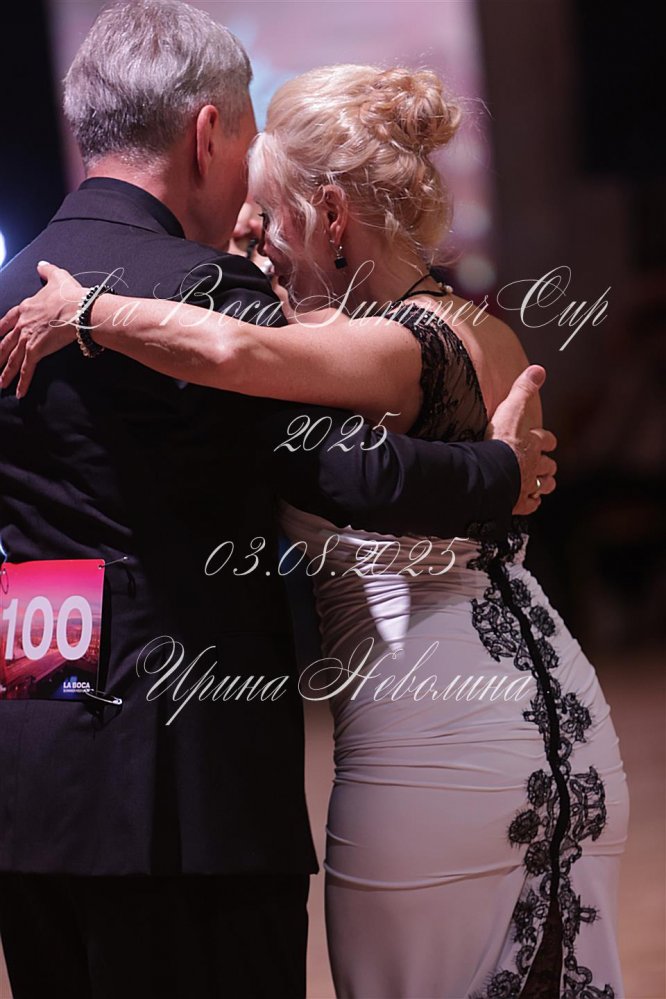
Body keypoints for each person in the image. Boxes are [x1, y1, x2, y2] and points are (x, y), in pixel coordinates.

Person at [0, 61, 626, 999]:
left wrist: (89, 309)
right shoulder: (476, 324)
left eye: (268, 216)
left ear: (331, 216)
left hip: (425, 742)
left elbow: (241, 356)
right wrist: (501, 472)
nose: (249, 235)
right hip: (553, 705)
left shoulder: (345, 345)